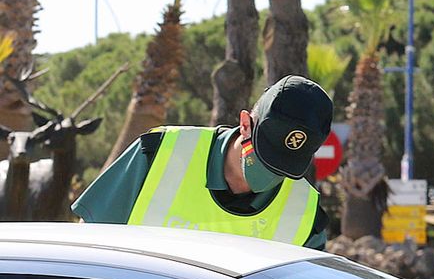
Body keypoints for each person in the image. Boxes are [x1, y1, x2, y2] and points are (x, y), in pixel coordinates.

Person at [74, 75, 334, 249]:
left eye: (283, 167)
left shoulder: (305, 213)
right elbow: (86, 246)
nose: (271, 175)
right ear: (245, 125)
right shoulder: (158, 153)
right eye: (265, 157)